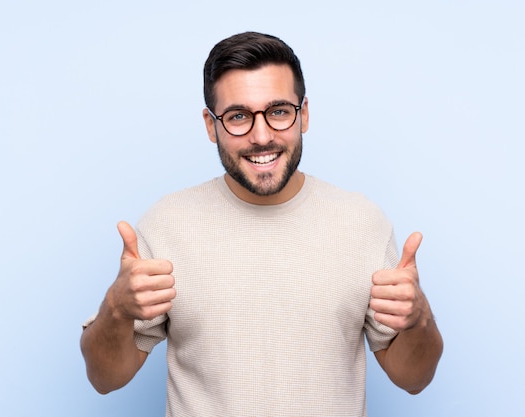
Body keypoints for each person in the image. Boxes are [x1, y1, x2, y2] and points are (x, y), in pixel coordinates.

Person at [81, 31, 443, 416]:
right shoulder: (166, 224)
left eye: (279, 111)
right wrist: (116, 309)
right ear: (210, 125)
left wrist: (419, 317)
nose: (262, 135)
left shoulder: (362, 222)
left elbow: (413, 379)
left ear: (303, 114)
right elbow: (105, 379)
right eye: (238, 116)